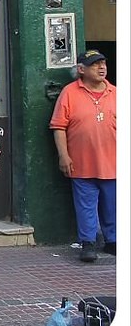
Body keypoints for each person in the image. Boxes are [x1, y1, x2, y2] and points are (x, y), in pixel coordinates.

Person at [49, 49, 117, 262]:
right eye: (95, 64)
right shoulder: (70, 93)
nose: (101, 67)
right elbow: (58, 126)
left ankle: (113, 241)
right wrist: (64, 155)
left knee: (113, 204)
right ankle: (88, 243)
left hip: (114, 162)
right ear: (81, 69)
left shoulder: (116, 93)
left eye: (103, 63)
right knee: (85, 204)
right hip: (82, 162)